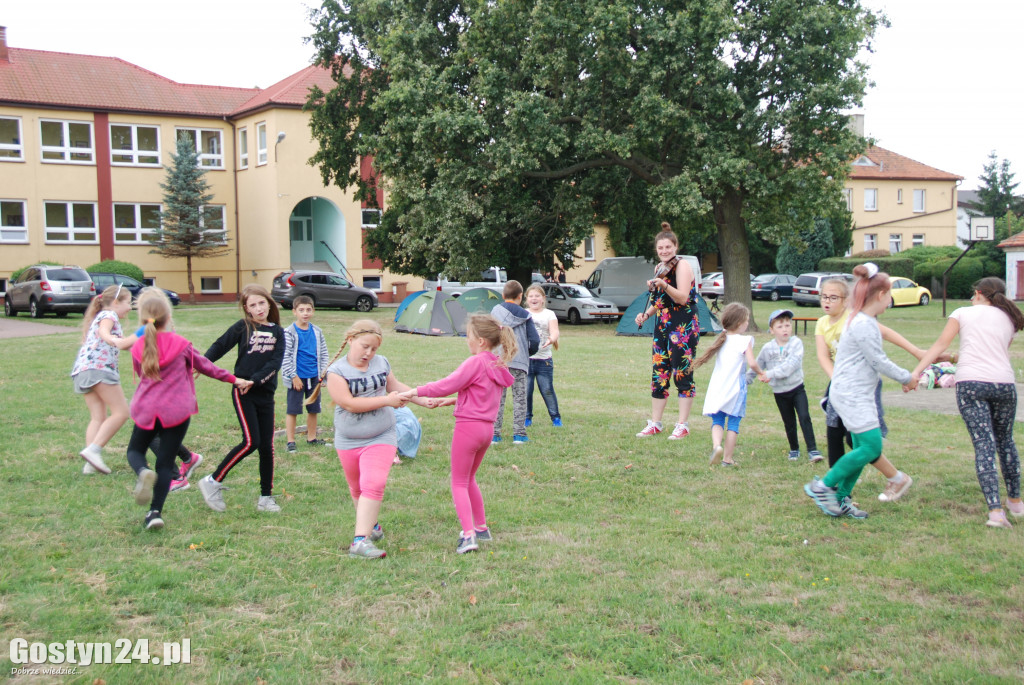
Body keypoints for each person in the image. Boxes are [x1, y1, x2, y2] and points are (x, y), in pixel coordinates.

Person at [125, 289, 251, 529]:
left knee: (135, 450)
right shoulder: (181, 344)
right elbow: (207, 367)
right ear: (168, 316)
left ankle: (142, 472)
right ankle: (155, 513)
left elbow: (141, 374)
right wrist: (235, 380)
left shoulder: (138, 345)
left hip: (147, 408)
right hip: (177, 411)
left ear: (142, 318)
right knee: (164, 463)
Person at [908, 277, 1024, 529]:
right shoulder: (1010, 318)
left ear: (980, 293)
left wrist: (917, 372)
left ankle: (995, 512)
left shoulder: (962, 313)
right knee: (1006, 441)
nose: (971, 299)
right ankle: (1016, 502)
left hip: (971, 384)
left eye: (973, 294)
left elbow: (940, 344)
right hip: (1004, 384)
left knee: (984, 444)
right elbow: (994, 350)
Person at [805, 264, 914, 519]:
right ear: (880, 295)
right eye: (890, 294)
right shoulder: (863, 323)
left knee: (865, 448)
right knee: (871, 447)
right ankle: (823, 487)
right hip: (851, 395)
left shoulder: (861, 320)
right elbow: (878, 360)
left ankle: (841, 498)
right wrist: (907, 377)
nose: (891, 300)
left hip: (854, 394)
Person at [325, 320, 443, 559]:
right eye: (365, 346)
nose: (369, 353)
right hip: (348, 439)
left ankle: (360, 541)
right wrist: (386, 401)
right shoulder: (336, 372)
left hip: (382, 433)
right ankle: (372, 525)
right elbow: (349, 403)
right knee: (357, 487)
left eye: (374, 349)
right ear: (350, 340)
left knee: (374, 483)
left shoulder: (381, 363)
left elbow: (395, 386)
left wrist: (421, 399)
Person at [400, 314, 516, 554]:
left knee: (459, 481)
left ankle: (469, 536)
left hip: (468, 428)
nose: (467, 340)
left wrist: (414, 391)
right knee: (469, 478)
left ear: (481, 341)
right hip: (486, 431)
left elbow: (447, 383)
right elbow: (482, 393)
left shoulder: (475, 362)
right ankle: (481, 528)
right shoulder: (496, 364)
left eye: (469, 336)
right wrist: (454, 401)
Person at [198, 284, 285, 514]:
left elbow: (274, 364)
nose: (258, 308)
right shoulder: (243, 327)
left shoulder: (278, 332)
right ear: (246, 309)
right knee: (251, 442)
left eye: (262, 303)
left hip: (264, 394)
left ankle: (266, 497)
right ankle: (212, 481)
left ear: (269, 303)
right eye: (253, 305)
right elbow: (220, 345)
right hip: (242, 392)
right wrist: (202, 363)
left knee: (267, 447)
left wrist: (255, 381)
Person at [634, 222, 699, 439]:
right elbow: (659, 302)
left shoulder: (682, 267)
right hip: (663, 325)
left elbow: (681, 297)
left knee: (682, 372)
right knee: (659, 372)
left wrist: (663, 284)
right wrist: (646, 314)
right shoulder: (659, 269)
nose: (664, 251)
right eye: (661, 248)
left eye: (668, 248)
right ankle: (656, 423)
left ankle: (682, 425)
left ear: (675, 247)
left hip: (683, 325)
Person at [71, 284, 135, 475]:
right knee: (122, 412)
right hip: (99, 369)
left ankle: (90, 464)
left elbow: (124, 345)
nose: (130, 307)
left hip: (83, 370)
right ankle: (94, 450)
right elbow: (105, 332)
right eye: (128, 302)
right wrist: (110, 339)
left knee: (98, 417)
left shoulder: (100, 316)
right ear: (116, 302)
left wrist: (140, 339)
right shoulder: (109, 315)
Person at [694, 303, 765, 467]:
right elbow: (752, 363)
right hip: (735, 387)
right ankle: (727, 458)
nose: (747, 324)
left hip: (718, 387)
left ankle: (716, 446)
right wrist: (761, 373)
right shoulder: (744, 340)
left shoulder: (722, 338)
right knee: (733, 423)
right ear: (740, 323)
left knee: (717, 420)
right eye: (746, 321)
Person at [748, 308, 821, 462]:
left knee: (804, 417)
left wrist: (769, 374)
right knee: (789, 421)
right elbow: (757, 365)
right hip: (780, 392)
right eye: (780, 326)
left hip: (797, 388)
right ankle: (794, 449)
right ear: (772, 330)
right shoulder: (767, 348)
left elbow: (790, 366)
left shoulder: (796, 343)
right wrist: (746, 381)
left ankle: (813, 450)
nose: (785, 329)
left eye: (787, 325)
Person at [490, 280, 539, 444]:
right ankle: (519, 434)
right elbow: (535, 341)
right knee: (519, 398)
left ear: (503, 296)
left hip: (498, 362)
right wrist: (526, 354)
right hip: (519, 362)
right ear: (520, 296)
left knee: (497, 398)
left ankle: (494, 435)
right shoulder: (526, 315)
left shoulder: (495, 312)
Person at [281, 295, 331, 453]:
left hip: (314, 377)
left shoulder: (317, 331)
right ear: (294, 312)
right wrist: (293, 376)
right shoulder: (289, 332)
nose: (305, 313)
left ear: (313, 311)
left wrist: (323, 374)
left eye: (308, 310)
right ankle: (290, 441)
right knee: (293, 410)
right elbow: (285, 356)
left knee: (314, 409)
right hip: (297, 378)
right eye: (301, 310)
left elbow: (323, 354)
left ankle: (312, 438)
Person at [524, 283, 562, 428]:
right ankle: (527, 418)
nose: (534, 299)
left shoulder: (549, 314)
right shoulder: (524, 313)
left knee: (547, 390)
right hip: (526, 360)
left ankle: (555, 418)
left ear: (543, 298)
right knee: (526, 391)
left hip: (544, 361)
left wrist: (551, 339)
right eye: (531, 296)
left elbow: (555, 331)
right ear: (526, 299)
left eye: (537, 296)